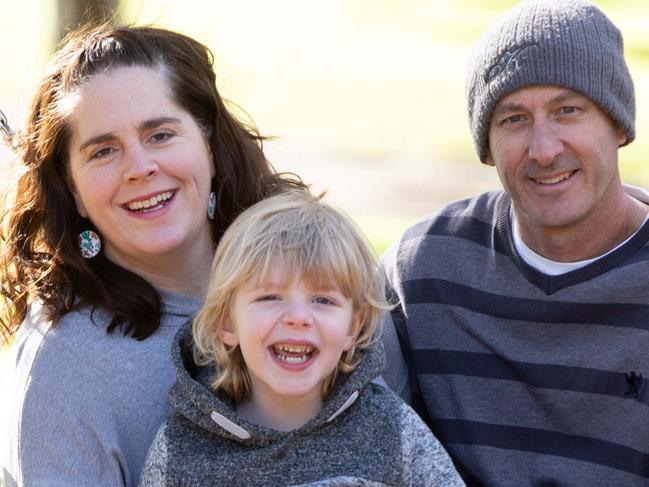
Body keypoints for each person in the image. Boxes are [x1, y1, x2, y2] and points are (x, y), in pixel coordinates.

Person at [0, 24, 304, 487]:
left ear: (210, 145)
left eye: (160, 135)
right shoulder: (66, 367)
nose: (140, 168)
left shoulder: (316, 281)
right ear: (74, 193)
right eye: (103, 151)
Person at [381, 1, 649, 485]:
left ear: (619, 125)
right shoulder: (425, 270)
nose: (544, 150)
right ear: (486, 147)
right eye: (513, 119)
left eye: (568, 110)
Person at [138, 190, 464, 486]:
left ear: (354, 327)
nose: (298, 317)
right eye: (270, 297)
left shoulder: (393, 432)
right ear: (226, 322)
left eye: (322, 300)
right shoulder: (181, 448)